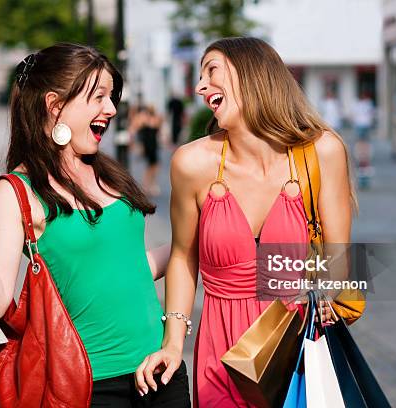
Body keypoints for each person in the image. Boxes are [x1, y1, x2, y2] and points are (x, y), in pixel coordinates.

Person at [0, 43, 190, 407]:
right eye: (98, 96)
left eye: (111, 97)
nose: (111, 109)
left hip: (161, 373)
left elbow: (128, 266)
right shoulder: (17, 190)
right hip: (88, 387)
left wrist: (191, 243)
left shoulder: (107, 172)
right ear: (55, 106)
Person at [135, 37, 361, 407]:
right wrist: (174, 343)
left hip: (294, 352)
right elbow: (182, 256)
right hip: (219, 353)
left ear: (253, 76)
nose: (200, 87)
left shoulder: (322, 152)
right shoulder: (192, 163)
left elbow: (338, 265)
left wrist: (331, 297)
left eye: (212, 71)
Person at [134, 105, 163, 196]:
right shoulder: (145, 120)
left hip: (153, 145)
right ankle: (147, 186)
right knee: (151, 167)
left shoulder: (153, 119)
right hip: (149, 146)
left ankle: (149, 185)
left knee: (153, 167)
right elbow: (137, 128)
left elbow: (158, 127)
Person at [352, 91, 376, 189]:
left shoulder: (365, 103)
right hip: (362, 125)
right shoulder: (366, 103)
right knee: (362, 146)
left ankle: (363, 159)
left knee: (362, 146)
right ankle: (362, 159)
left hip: (362, 125)